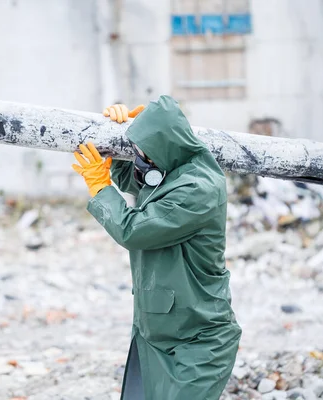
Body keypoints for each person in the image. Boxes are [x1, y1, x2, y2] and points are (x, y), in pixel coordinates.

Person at [71, 95, 242, 400]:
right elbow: (137, 178)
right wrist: (118, 132)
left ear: (165, 145)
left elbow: (134, 231)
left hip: (197, 343)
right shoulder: (172, 169)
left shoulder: (198, 189)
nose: (140, 159)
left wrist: (100, 188)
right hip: (156, 336)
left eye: (144, 151)